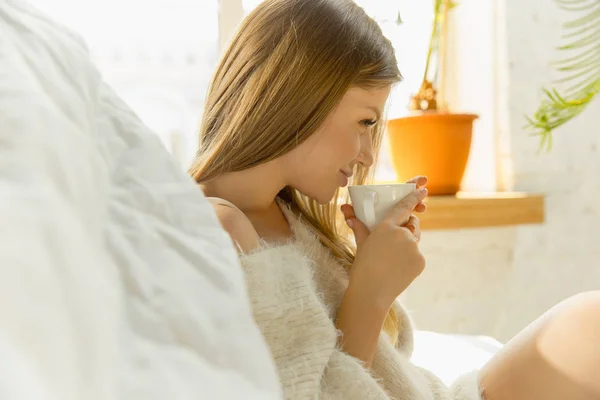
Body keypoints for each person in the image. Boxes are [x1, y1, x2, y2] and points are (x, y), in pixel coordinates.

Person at [190, 0, 600, 398]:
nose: (368, 154)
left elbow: (389, 359)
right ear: (299, 99)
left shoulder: (287, 215)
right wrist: (369, 292)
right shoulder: (219, 229)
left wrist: (370, 268)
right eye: (366, 121)